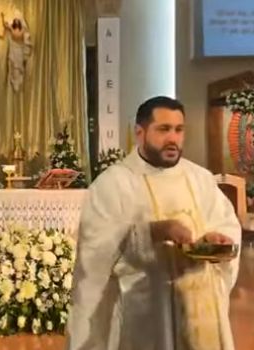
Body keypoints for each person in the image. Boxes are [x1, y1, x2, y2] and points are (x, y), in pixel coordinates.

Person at [67, 96, 242, 350]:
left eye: (179, 130)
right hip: (145, 318)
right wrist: (154, 232)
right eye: (163, 129)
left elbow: (226, 223)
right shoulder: (113, 184)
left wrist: (217, 240)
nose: (173, 138)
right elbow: (95, 258)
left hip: (202, 310)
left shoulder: (200, 178)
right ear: (140, 133)